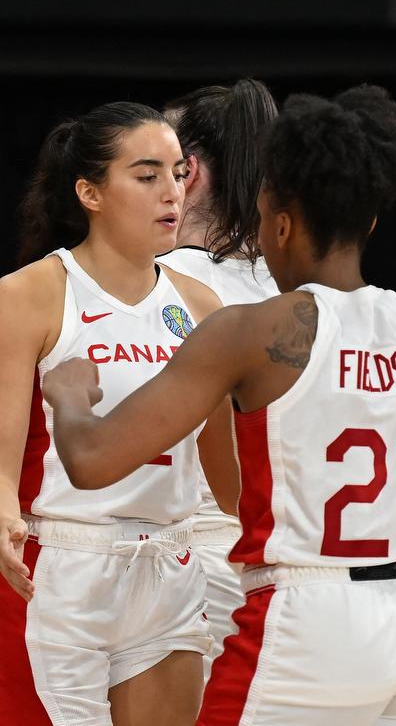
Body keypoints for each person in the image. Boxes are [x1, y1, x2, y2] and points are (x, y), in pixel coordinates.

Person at [38, 85, 396, 725]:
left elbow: (93, 461)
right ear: (370, 221)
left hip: (306, 624)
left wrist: (69, 397)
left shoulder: (249, 332)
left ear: (281, 222)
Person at [0, 102, 230, 725]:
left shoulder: (203, 306)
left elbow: (228, 475)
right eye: (147, 174)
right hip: (67, 566)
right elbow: (4, 442)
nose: (172, 193)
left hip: (174, 565)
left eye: (179, 174)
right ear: (90, 192)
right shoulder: (31, 292)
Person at [156, 78, 281, 680]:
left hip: (190, 560)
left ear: (190, 173)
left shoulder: (155, 285)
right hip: (292, 567)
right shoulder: (303, 292)